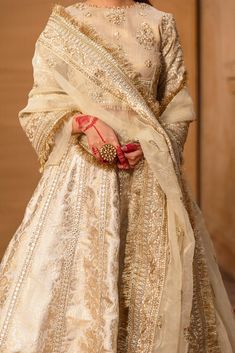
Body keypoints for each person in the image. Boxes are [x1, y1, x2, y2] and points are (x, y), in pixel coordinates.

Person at [0, 0, 234, 352]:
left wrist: (154, 145)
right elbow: (41, 103)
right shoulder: (65, 22)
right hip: (82, 179)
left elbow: (177, 106)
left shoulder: (159, 23)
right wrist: (83, 124)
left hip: (149, 174)